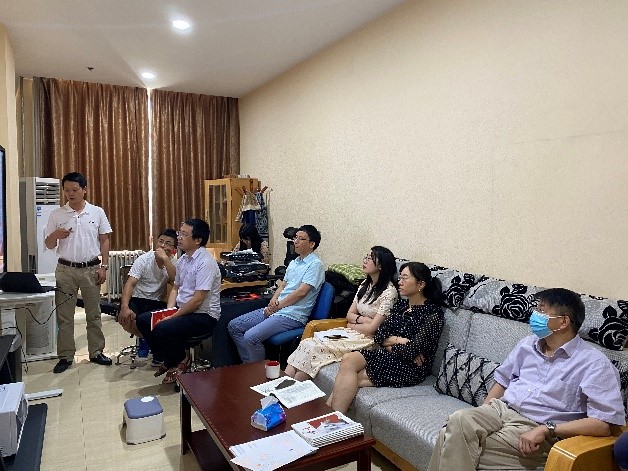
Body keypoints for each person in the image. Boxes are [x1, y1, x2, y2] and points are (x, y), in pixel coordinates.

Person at [427, 288, 626, 471]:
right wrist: (482, 412)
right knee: (459, 420)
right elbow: (503, 380)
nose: (534, 315)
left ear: (563, 322)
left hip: (533, 427)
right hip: (500, 409)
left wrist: (547, 429)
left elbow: (603, 424)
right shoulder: (528, 344)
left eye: (542, 311)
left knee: (449, 438)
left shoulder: (594, 363)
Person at [328, 262, 444, 414]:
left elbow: (410, 351)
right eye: (399, 277)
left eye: (404, 278)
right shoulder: (401, 306)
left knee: (347, 380)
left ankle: (330, 420)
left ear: (420, 284)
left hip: (410, 367)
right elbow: (379, 334)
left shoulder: (433, 314)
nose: (399, 282)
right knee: (348, 359)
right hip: (387, 356)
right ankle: (330, 420)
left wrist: (389, 343)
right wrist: (398, 340)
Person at [285, 246, 398, 380]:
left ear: (381, 265)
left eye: (370, 258)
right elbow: (349, 315)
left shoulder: (389, 293)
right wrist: (362, 320)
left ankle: (294, 388)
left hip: (368, 341)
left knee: (314, 349)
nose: (365, 261)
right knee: (307, 343)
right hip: (352, 332)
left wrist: (354, 324)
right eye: (366, 257)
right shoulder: (365, 285)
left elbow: (371, 329)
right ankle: (282, 386)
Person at [136, 219, 221, 384]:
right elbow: (175, 288)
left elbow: (198, 300)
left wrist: (172, 317)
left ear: (198, 240)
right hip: (184, 310)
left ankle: (178, 360)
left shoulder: (205, 262)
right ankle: (171, 358)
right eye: (179, 233)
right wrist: (168, 311)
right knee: (143, 320)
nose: (179, 238)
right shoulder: (183, 260)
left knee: (162, 329)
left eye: (184, 234)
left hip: (203, 316)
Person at [44, 172, 113, 374]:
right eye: (66, 190)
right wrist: (56, 235)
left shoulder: (96, 212)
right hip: (65, 270)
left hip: (91, 269)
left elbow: (105, 240)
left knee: (94, 313)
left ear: (84, 190)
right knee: (65, 316)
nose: (70, 194)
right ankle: (65, 356)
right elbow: (49, 244)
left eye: (74, 190)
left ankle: (96, 352)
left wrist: (104, 266)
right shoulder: (57, 214)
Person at [228, 224, 325, 363]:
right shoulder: (295, 262)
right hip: (278, 308)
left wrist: (277, 306)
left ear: (312, 244)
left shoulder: (315, 264)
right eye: (295, 238)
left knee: (251, 337)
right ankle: (249, 365)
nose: (296, 241)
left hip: (292, 315)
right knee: (234, 326)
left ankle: (258, 373)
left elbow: (301, 292)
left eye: (301, 239)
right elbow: (283, 285)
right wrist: (273, 299)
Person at [117, 228, 178, 363]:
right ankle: (146, 339)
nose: (163, 245)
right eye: (161, 241)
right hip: (138, 299)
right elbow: (130, 284)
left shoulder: (173, 262)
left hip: (157, 301)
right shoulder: (144, 260)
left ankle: (153, 346)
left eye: (168, 243)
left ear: (174, 248)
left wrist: (165, 259)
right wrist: (124, 307)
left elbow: (176, 280)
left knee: (165, 324)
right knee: (128, 319)